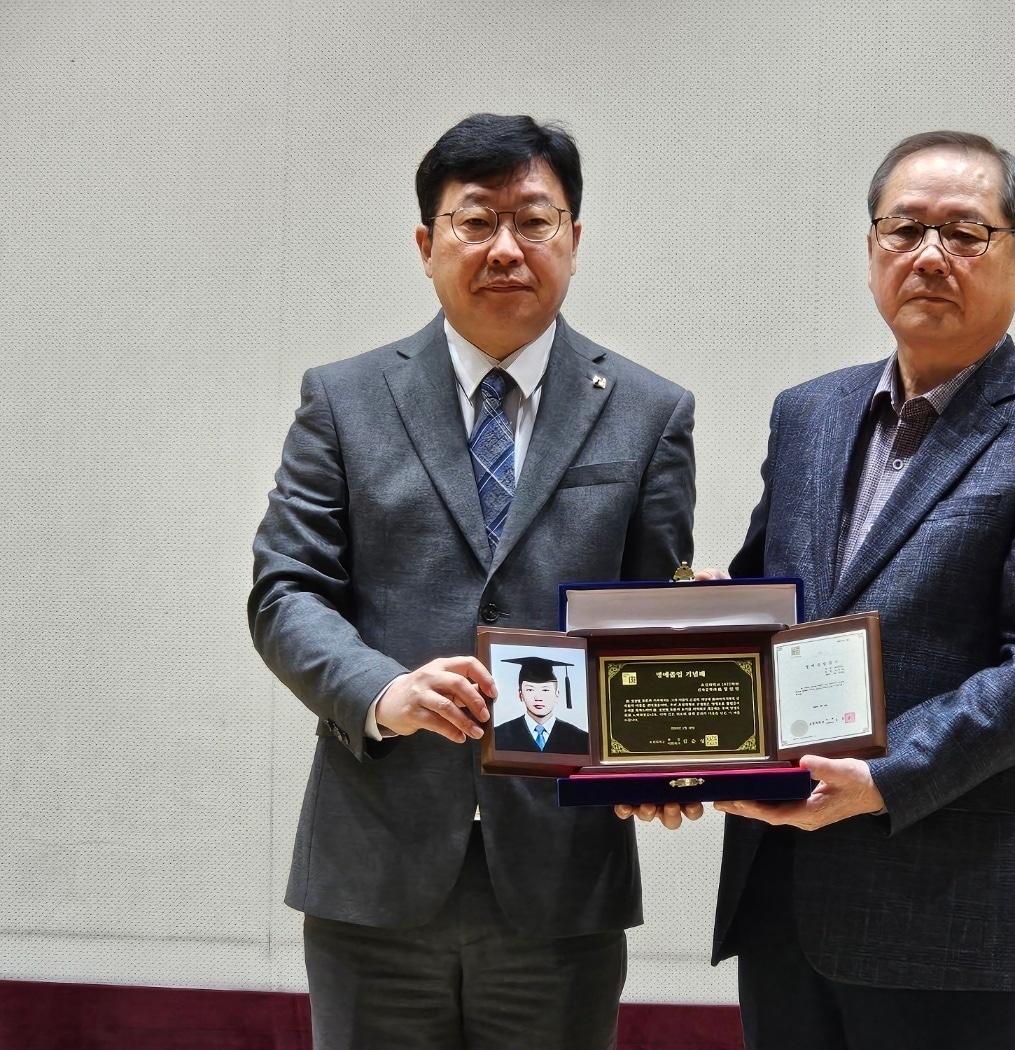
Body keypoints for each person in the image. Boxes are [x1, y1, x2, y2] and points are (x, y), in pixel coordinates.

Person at [249, 113, 696, 1050]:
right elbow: (288, 590)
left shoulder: (651, 414)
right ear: (426, 243)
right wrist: (383, 689)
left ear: (574, 239)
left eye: (534, 221)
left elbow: (650, 626)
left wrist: (676, 744)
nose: (506, 247)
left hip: (563, 884)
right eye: (474, 220)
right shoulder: (344, 399)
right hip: (374, 873)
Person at [689, 131, 1015, 1049]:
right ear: (871, 253)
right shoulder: (807, 413)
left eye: (965, 234)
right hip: (782, 898)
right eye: (906, 229)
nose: (930, 256)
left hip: (948, 917)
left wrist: (884, 779)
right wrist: (685, 652)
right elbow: (770, 608)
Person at [494, 656, 590, 754]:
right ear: (520, 694)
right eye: (530, 690)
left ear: (557, 694)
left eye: (545, 690)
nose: (538, 697)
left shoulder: (581, 739)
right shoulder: (498, 735)